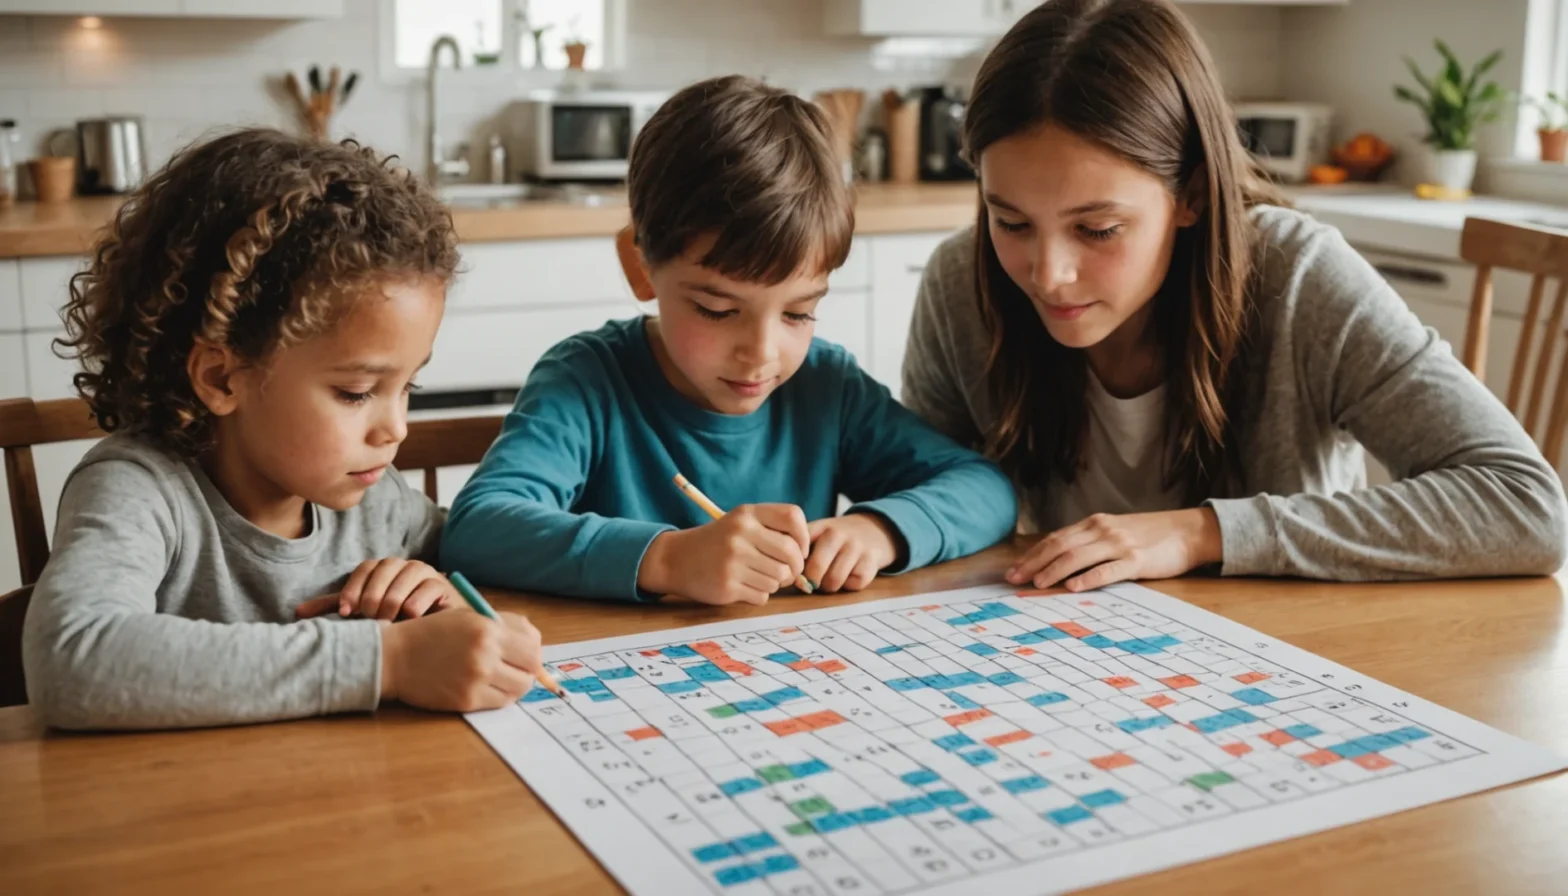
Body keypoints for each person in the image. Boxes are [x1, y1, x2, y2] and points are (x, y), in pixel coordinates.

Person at [902, 0, 1567, 590]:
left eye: (1097, 229)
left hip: (1289, 664)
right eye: (1011, 222)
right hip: (1076, 664)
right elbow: (921, 489)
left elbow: (1526, 507)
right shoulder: (963, 279)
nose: (1047, 274)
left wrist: (1198, 533)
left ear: (1190, 195)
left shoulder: (1298, 275)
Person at [23, 129, 543, 730]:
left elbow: (471, 572)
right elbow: (71, 659)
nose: (395, 429)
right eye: (356, 393)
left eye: (408, 387)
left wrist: (441, 599)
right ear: (221, 378)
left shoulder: (377, 497)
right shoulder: (140, 489)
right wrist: (389, 661)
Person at [442, 75, 1018, 605]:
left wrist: (883, 529)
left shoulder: (827, 388)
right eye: (717, 309)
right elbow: (478, 527)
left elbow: (986, 488)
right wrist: (665, 558)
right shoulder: (587, 382)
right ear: (641, 267)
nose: (762, 353)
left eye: (798, 313)